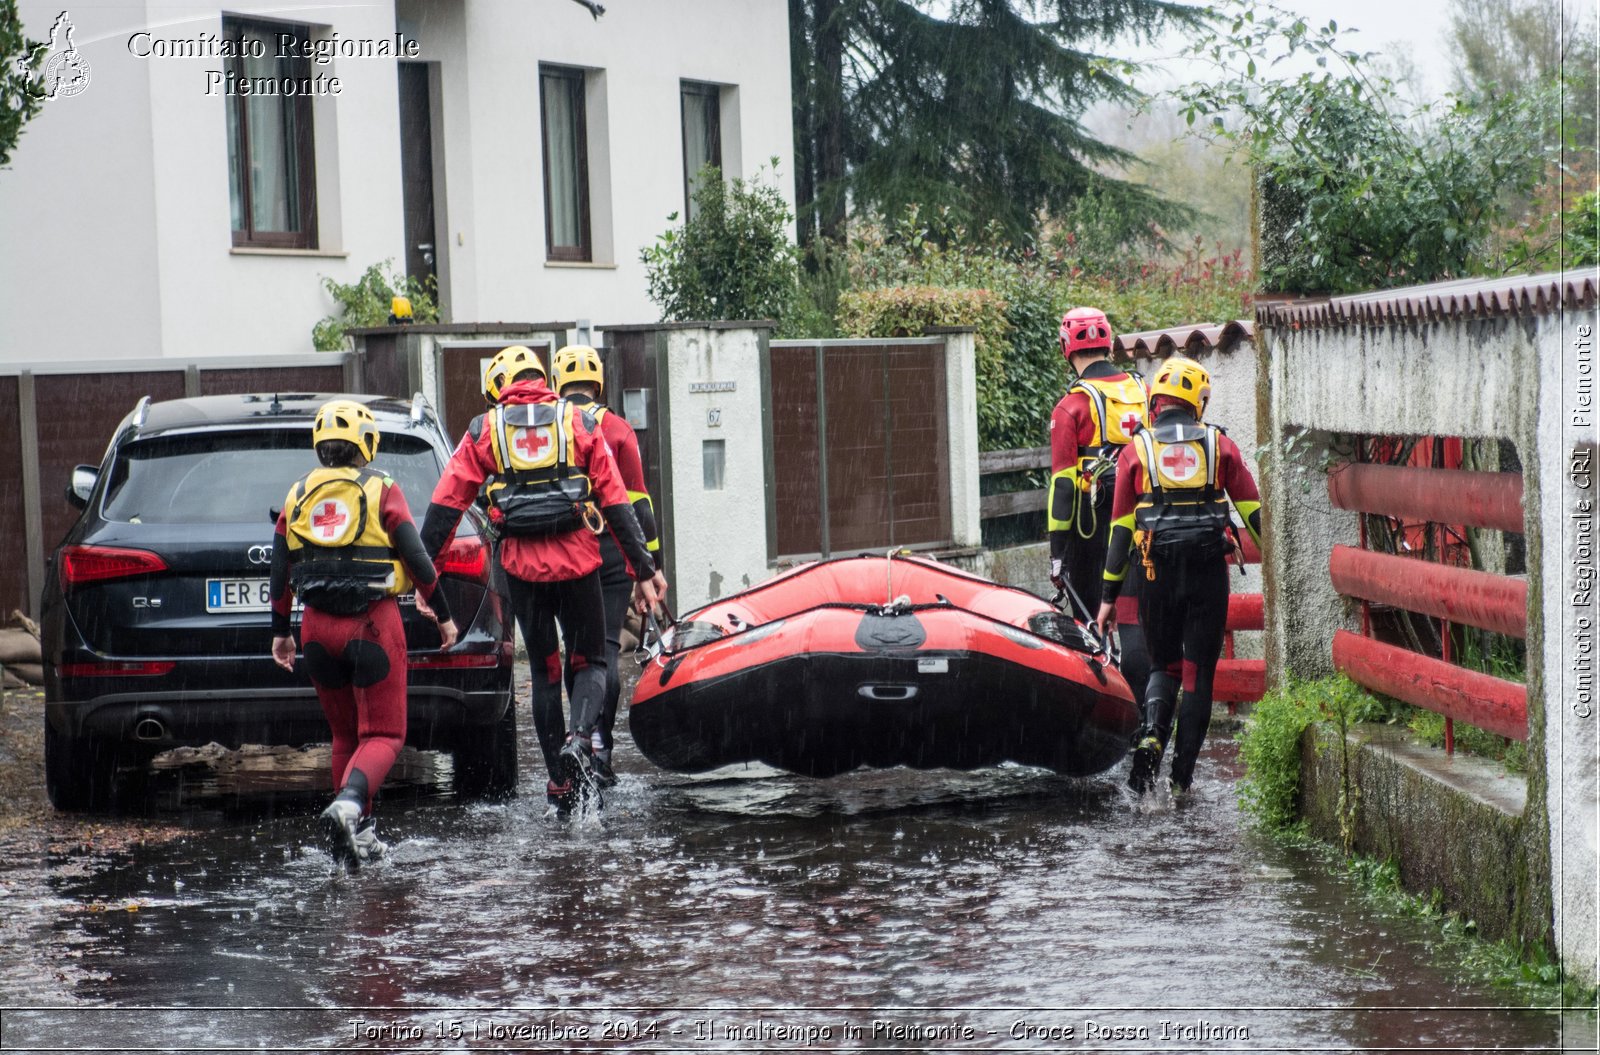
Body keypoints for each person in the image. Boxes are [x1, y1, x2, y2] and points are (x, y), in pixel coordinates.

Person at [420, 345, 666, 817]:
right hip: (578, 563)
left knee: (545, 673)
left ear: (501, 388)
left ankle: (558, 782)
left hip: (522, 571)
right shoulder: (578, 423)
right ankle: (581, 740)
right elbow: (617, 501)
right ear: (543, 379)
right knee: (591, 660)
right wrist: (644, 570)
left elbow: (446, 505)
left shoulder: (485, 429)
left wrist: (425, 574)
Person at [269, 399, 459, 869]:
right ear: (366, 445)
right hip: (372, 624)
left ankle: (361, 835)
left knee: (345, 738)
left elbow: (279, 571)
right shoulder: (382, 490)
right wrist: (444, 613)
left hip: (315, 629)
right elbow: (417, 558)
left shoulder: (296, 494)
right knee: (385, 734)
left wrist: (281, 633)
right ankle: (350, 807)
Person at [1094, 357, 1263, 798]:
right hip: (1208, 574)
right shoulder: (1221, 446)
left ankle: (1151, 734)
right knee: (1199, 676)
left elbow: (1120, 531)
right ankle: (1182, 782)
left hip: (1156, 575)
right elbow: (1254, 514)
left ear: (1157, 401)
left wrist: (1108, 596)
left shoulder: (1136, 450)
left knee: (1162, 666)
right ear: (1198, 404)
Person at [550, 344, 660, 786]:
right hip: (613, 554)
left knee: (575, 648)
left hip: (563, 553)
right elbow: (639, 506)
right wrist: (647, 568)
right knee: (607, 650)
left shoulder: (549, 430)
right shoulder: (617, 429)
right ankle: (600, 747)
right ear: (599, 384)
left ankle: (578, 736)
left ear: (558, 385)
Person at [1046, 306, 1151, 735]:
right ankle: (1150, 719)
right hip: (1148, 523)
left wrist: (1057, 556)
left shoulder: (1071, 407)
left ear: (1066, 348)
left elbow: (1064, 488)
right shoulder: (1145, 391)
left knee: (1093, 625)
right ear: (1108, 342)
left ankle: (1104, 724)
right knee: (1136, 620)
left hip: (1095, 532)